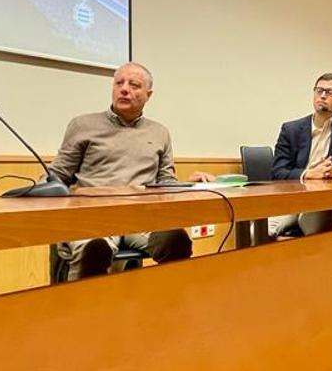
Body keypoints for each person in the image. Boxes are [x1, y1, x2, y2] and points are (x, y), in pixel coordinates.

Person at [48, 62, 214, 280]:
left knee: (177, 240)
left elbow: (165, 182)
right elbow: (58, 175)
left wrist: (192, 185)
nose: (124, 89)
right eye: (119, 83)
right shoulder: (83, 125)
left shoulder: (159, 132)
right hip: (95, 217)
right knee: (94, 250)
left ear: (148, 95)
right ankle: (82, 302)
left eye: (134, 85)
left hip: (142, 218)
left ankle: (167, 300)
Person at [268, 73, 332, 237]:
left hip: (324, 198)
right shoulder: (291, 129)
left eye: (330, 92)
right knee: (262, 231)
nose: (323, 96)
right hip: (292, 196)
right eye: (319, 90)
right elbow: (278, 172)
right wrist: (308, 174)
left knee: (311, 225)